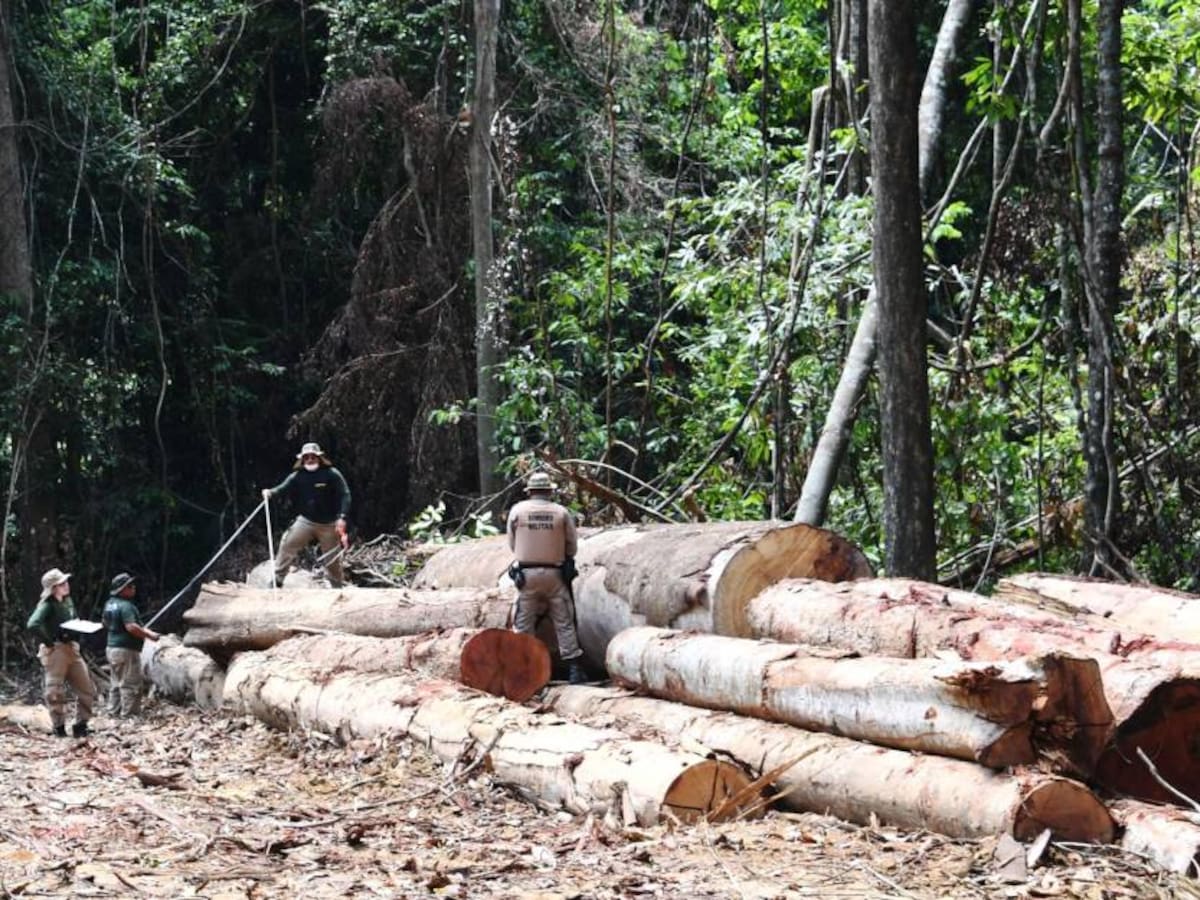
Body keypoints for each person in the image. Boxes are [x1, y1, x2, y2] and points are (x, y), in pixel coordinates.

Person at [506, 471, 587, 684]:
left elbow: (512, 544)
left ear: (530, 491)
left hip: (527, 575)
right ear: (550, 491)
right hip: (555, 575)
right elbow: (572, 546)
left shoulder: (517, 511)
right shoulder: (561, 513)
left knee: (523, 623)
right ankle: (574, 670)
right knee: (564, 621)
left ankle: (523, 671)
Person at [262, 441, 352, 587]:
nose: (310, 460)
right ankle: (277, 580)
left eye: (313, 457)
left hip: (329, 524)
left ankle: (337, 586)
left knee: (332, 559)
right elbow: (282, 488)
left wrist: (342, 517)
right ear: (302, 459)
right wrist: (270, 493)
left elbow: (345, 494)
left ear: (319, 458)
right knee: (288, 543)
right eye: (306, 457)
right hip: (306, 521)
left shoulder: (331, 474)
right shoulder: (298, 476)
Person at [26, 568, 96, 737]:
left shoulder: (68, 601)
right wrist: (49, 641)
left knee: (86, 687)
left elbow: (74, 618)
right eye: (61, 584)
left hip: (72, 648)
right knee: (55, 690)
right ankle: (59, 727)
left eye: (66, 582)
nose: (66, 586)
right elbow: (33, 624)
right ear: (53, 588)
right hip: (56, 650)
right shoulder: (47, 605)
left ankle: (81, 724)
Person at [101, 573, 161, 718]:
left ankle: (113, 713)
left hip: (111, 648)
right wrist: (149, 635)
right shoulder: (126, 606)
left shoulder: (109, 604)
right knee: (131, 683)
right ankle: (129, 716)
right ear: (122, 589)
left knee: (116, 682)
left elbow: (105, 623)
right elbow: (131, 627)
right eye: (129, 586)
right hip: (126, 650)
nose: (133, 588)